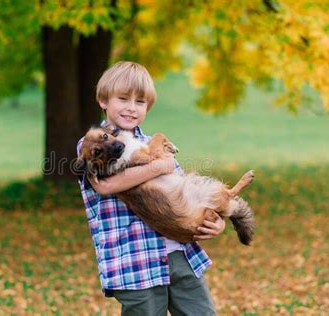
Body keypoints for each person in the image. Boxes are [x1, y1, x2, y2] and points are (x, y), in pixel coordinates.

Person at [76, 61, 225, 315]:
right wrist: (159, 167)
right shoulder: (92, 144)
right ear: (103, 100)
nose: (131, 108)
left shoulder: (152, 143)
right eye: (123, 99)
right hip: (135, 262)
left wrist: (217, 220)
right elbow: (106, 185)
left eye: (140, 102)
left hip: (180, 254)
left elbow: (182, 191)